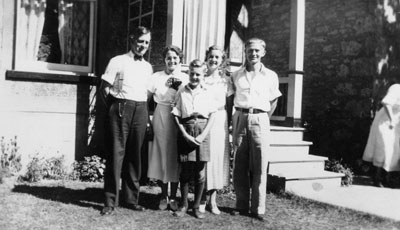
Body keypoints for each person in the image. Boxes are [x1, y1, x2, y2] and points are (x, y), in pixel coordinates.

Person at [227, 37, 281, 221]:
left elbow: (273, 101)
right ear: (245, 52)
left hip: (260, 118)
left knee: (260, 164)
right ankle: (241, 204)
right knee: (240, 164)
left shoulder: (271, 75)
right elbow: (230, 98)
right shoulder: (236, 75)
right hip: (240, 117)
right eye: (250, 50)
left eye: (257, 50)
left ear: (263, 52)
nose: (253, 54)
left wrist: (262, 116)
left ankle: (258, 208)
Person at [100, 26, 152, 215]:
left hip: (141, 109)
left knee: (135, 155)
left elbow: (146, 92)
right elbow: (104, 88)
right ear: (132, 41)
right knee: (116, 154)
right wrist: (116, 107)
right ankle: (110, 201)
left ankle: (131, 199)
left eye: (146, 42)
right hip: (120, 107)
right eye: (140, 41)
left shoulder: (148, 67)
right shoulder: (118, 61)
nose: (143, 46)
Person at [171, 59, 216, 219]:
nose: (194, 77)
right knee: (185, 171)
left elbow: (212, 115)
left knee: (200, 173)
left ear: (203, 74)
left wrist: (203, 135)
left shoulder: (208, 91)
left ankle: (197, 206)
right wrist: (184, 133)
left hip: (202, 131)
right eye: (192, 73)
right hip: (186, 129)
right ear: (188, 73)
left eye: (198, 74)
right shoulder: (181, 91)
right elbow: (175, 114)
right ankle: (184, 205)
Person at [147, 45, 188, 211]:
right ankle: (163, 195)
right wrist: (148, 120)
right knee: (162, 155)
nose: (172, 61)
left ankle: (173, 196)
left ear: (179, 60)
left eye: (175, 58)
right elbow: (147, 99)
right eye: (168, 58)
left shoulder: (185, 78)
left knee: (175, 157)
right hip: (161, 115)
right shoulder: (156, 77)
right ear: (164, 60)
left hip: (178, 117)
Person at [199, 45, 231, 215]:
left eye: (217, 57)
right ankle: (202, 198)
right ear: (207, 57)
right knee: (205, 159)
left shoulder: (226, 80)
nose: (213, 60)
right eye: (211, 56)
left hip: (219, 120)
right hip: (204, 120)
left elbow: (230, 103)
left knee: (217, 159)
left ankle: (213, 200)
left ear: (221, 61)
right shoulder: (201, 78)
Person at [363, 78, 400, 188]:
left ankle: (387, 178)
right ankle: (377, 177)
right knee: (383, 148)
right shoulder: (396, 88)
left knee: (393, 151)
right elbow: (386, 102)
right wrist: (392, 119)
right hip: (386, 122)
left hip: (396, 124)